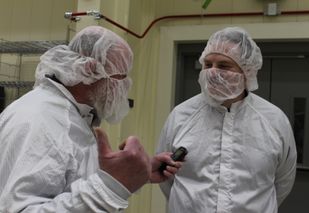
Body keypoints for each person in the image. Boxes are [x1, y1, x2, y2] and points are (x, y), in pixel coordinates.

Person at [0, 26, 181, 212]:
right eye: (120, 78)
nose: (124, 88)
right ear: (90, 70)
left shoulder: (73, 115)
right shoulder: (40, 121)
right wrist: (111, 187)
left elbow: (70, 182)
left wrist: (135, 173)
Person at [157, 27, 297, 213]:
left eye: (223, 66)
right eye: (207, 65)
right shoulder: (181, 114)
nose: (212, 72)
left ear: (247, 71)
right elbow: (166, 176)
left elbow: (283, 181)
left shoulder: (274, 120)